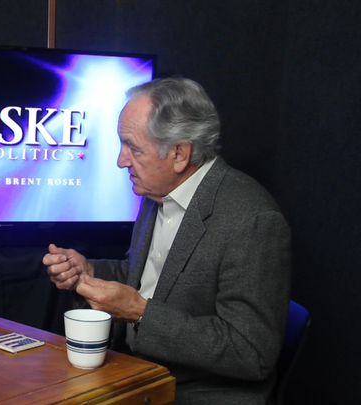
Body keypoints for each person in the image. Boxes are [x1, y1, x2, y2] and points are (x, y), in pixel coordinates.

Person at [44, 78, 291, 405]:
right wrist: (88, 271)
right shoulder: (156, 194)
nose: (121, 160)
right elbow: (145, 280)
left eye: (133, 147)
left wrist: (140, 313)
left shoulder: (253, 221)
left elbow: (250, 352)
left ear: (179, 154)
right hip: (137, 376)